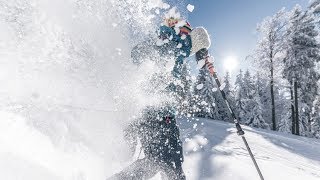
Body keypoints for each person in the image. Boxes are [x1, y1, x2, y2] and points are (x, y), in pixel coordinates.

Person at [108, 8, 214, 180]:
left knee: (167, 163)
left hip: (159, 114)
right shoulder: (175, 43)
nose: (195, 53)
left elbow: (139, 54)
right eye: (198, 48)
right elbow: (140, 54)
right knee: (165, 163)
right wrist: (202, 51)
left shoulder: (168, 41)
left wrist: (202, 55)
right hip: (157, 114)